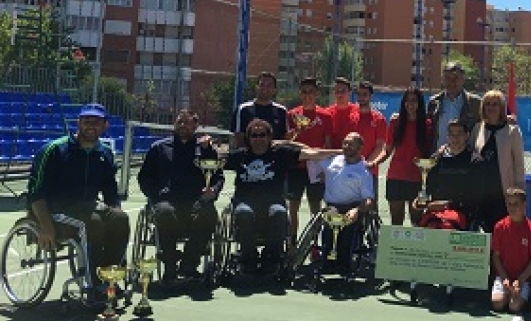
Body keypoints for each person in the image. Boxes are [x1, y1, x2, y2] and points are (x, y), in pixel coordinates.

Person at [27, 103, 130, 294]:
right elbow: (36, 193)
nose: (91, 125)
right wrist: (46, 225)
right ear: (78, 123)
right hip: (55, 211)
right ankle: (93, 286)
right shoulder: (54, 150)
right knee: (93, 223)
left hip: (87, 207)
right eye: (86, 121)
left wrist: (115, 210)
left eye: (96, 121)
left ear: (105, 125)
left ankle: (110, 278)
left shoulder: (105, 153)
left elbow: (110, 192)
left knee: (120, 219)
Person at [222, 118, 339, 274]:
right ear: (248, 139)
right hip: (245, 202)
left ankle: (272, 256)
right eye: (254, 135)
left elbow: (312, 153)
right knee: (244, 213)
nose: (258, 139)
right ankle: (247, 256)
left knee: (280, 212)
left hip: (273, 202)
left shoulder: (280, 154)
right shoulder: (239, 156)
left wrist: (341, 152)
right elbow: (214, 160)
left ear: (269, 137)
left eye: (262, 135)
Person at [137, 109, 223, 282]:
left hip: (195, 201)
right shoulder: (159, 148)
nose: (182, 125)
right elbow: (144, 177)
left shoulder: (205, 150)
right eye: (179, 122)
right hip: (166, 201)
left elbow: (217, 177)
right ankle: (169, 266)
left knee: (209, 214)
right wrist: (155, 196)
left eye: (187, 122)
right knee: (165, 213)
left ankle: (189, 265)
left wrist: (212, 192)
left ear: (196, 125)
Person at [308, 132, 375, 274]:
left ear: (360, 147)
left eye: (351, 143)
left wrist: (357, 210)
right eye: (345, 143)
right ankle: (327, 262)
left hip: (353, 207)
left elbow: (368, 199)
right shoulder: (332, 160)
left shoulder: (364, 170)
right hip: (332, 206)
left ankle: (343, 265)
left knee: (347, 232)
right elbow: (312, 153)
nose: (346, 146)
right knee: (328, 228)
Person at [374, 87, 431, 226]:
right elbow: (387, 150)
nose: (410, 104)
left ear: (420, 103)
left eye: (414, 101)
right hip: (396, 178)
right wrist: (373, 162)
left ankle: (414, 248)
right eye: (407, 101)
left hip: (417, 179)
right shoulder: (395, 121)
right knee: (396, 221)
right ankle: (395, 248)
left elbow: (429, 153)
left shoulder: (427, 124)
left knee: (416, 222)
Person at [286, 77, 334, 243]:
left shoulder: (326, 115)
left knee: (315, 208)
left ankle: (313, 246)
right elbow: (287, 143)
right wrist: (293, 135)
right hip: (295, 167)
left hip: (316, 168)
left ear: (317, 94)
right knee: (293, 208)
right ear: (300, 93)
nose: (307, 96)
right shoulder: (292, 114)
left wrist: (326, 169)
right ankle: (291, 244)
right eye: (304, 92)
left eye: (311, 92)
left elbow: (328, 145)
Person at [470, 90, 526, 232]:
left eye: (495, 104)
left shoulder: (512, 131)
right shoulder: (477, 128)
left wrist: (520, 191)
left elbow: (519, 164)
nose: (491, 107)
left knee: (501, 231)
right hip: (480, 191)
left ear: (502, 107)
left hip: (503, 192)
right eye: (488, 104)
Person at [414, 119, 482, 230]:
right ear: (447, 137)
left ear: (467, 136)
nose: (455, 138)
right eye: (452, 134)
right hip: (436, 214)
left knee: (445, 227)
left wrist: (448, 204)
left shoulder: (475, 161)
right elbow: (428, 187)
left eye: (459, 133)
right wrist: (421, 201)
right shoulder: (436, 159)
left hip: (462, 214)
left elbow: (475, 197)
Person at [490, 187, 531, 314]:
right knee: (497, 304)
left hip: (523, 279)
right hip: (504, 276)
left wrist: (521, 280)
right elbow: (496, 256)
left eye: (516, 204)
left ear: (524, 205)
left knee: (514, 307)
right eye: (509, 204)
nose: (512, 208)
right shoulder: (499, 227)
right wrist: (504, 278)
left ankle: (526, 291)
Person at [428, 61, 483, 150]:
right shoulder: (434, 102)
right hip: (439, 157)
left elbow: (488, 123)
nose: (451, 82)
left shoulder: (475, 103)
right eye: (447, 78)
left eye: (456, 78)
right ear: (442, 79)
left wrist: (505, 119)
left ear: (463, 79)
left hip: (464, 158)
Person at [232, 71, 289, 148]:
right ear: (256, 87)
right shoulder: (243, 109)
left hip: (274, 158)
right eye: (262, 84)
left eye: (269, 85)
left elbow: (285, 138)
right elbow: (239, 140)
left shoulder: (282, 111)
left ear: (274, 89)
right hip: (249, 158)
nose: (265, 88)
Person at [353, 80, 389, 198]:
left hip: (369, 171)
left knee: (370, 209)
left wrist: (368, 163)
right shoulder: (350, 116)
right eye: (359, 94)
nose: (361, 97)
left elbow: (380, 146)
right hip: (350, 170)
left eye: (365, 94)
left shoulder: (379, 119)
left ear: (371, 96)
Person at [326, 77, 359, 142]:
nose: (340, 94)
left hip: (353, 151)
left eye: (343, 91)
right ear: (334, 92)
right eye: (337, 91)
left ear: (349, 92)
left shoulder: (359, 112)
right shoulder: (327, 113)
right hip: (331, 151)